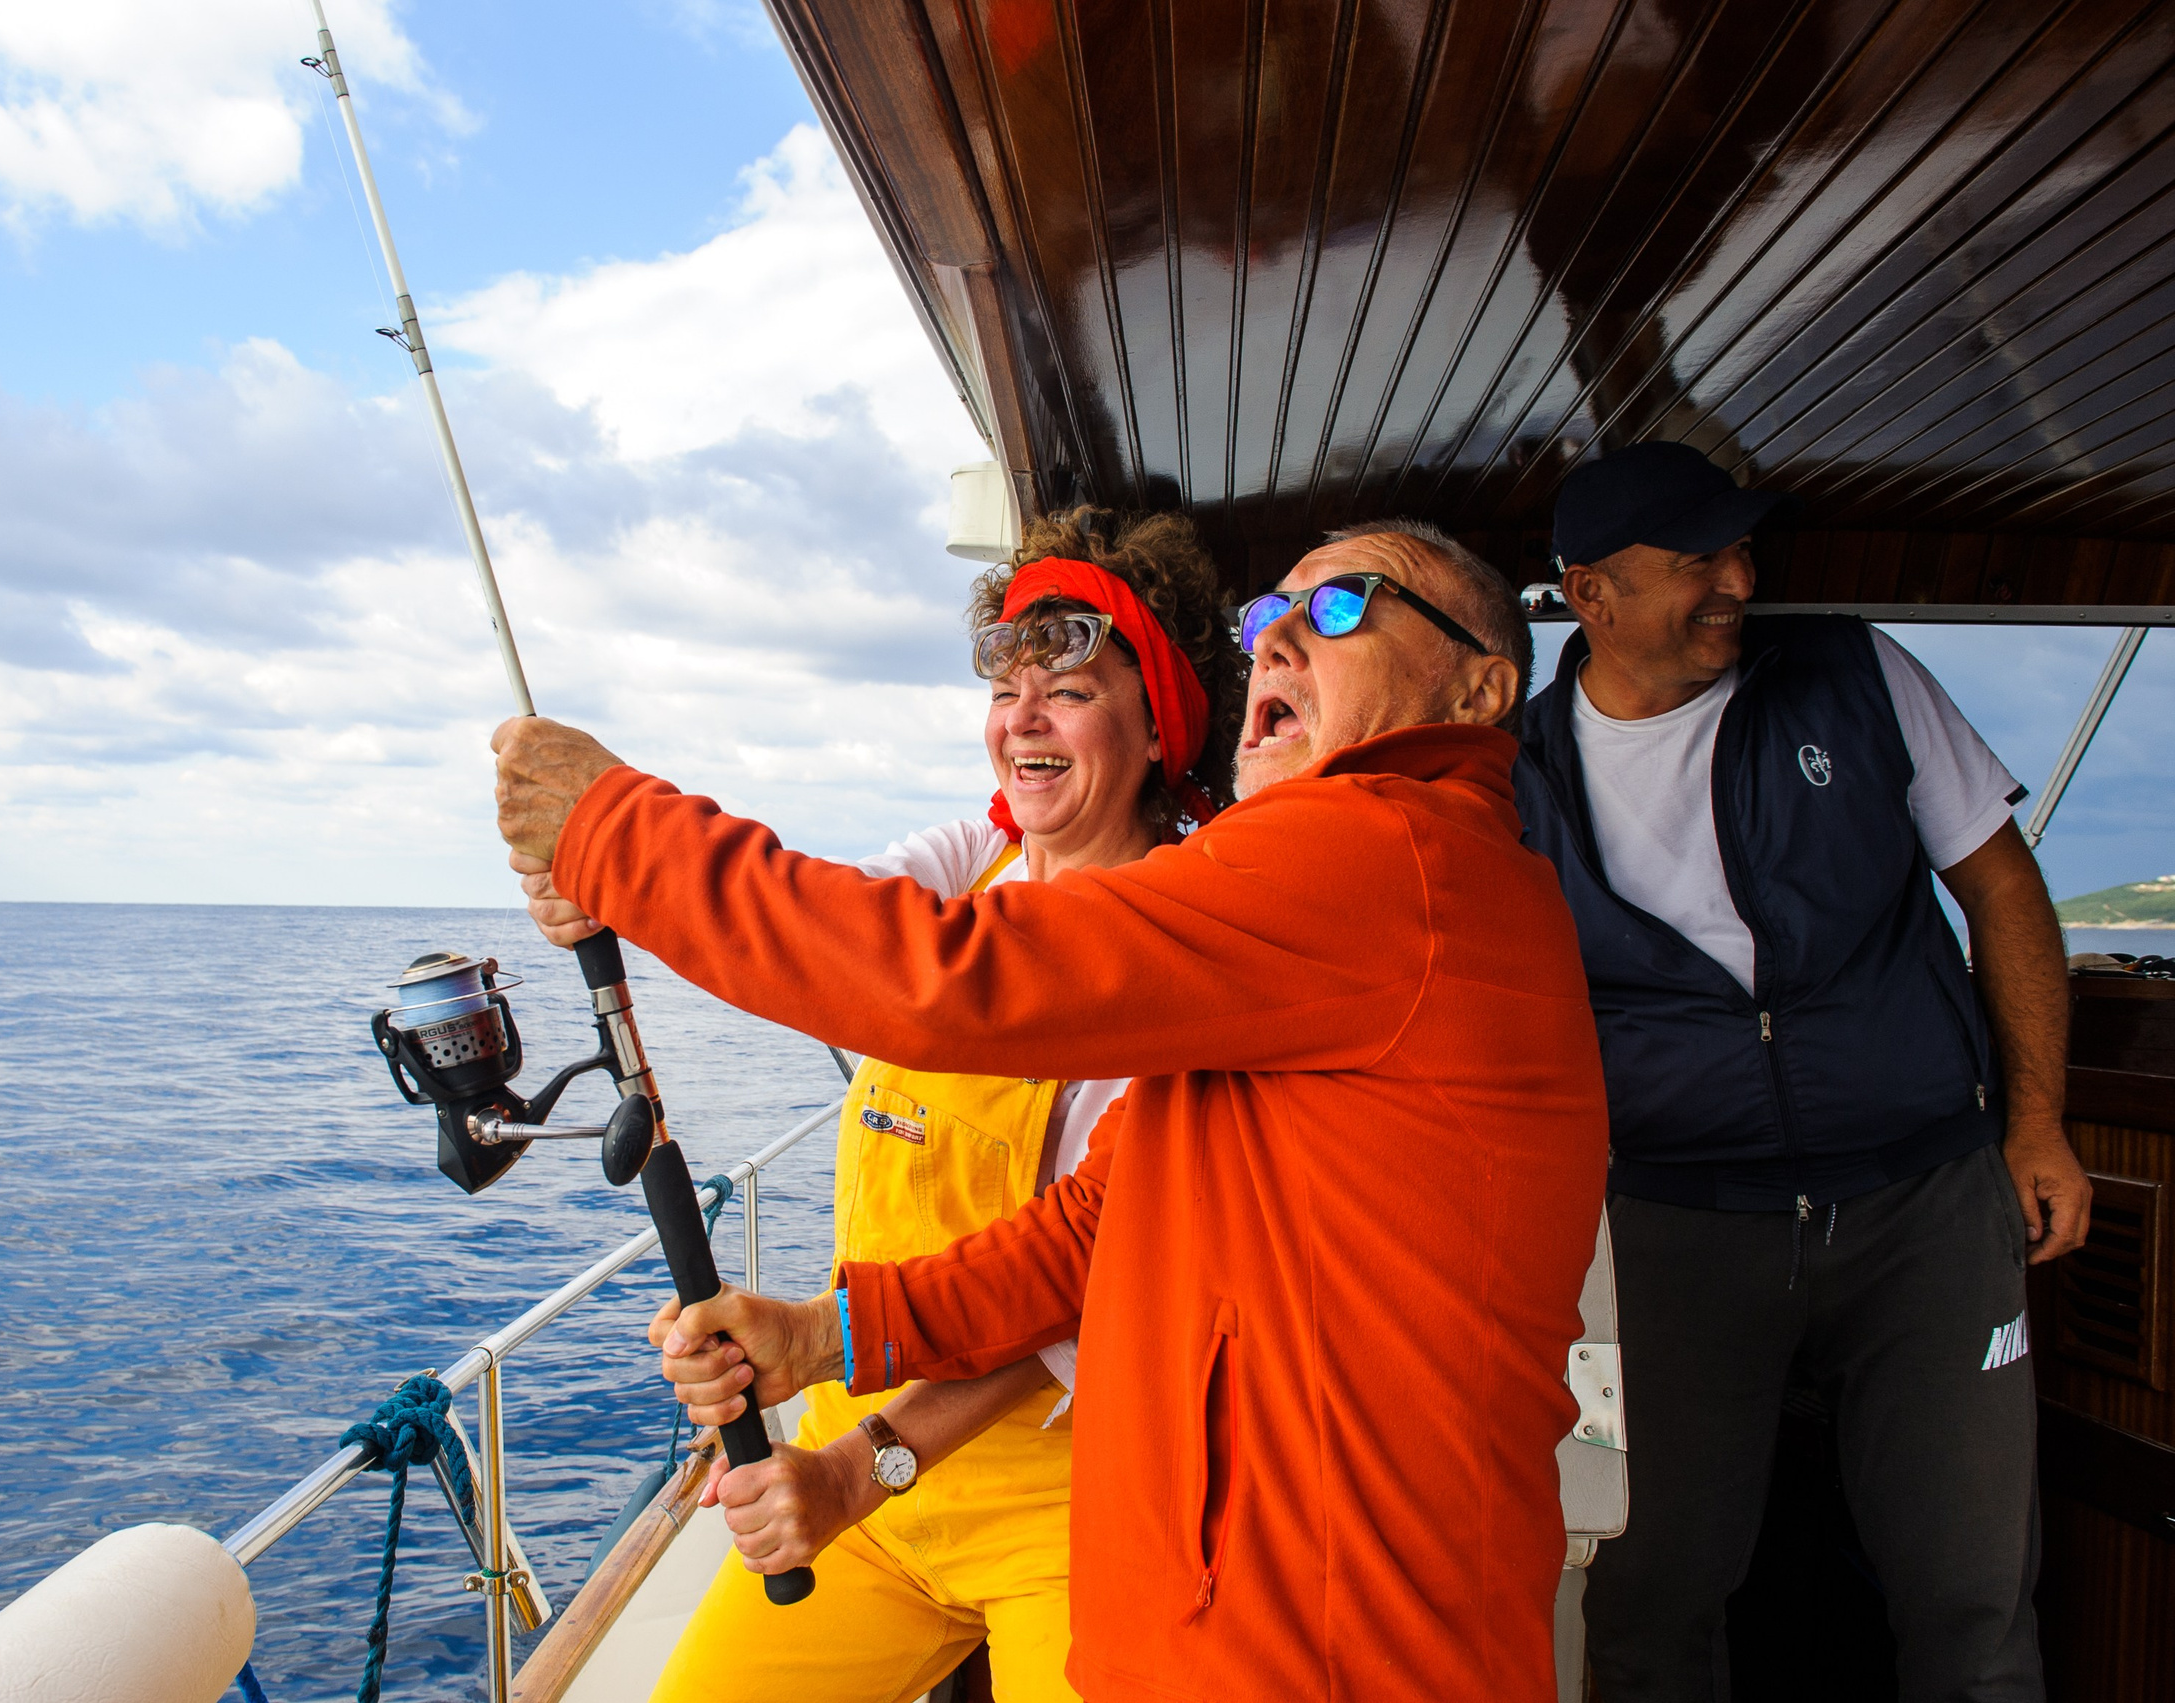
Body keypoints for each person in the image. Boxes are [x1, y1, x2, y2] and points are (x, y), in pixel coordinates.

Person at [495, 520, 1609, 1702]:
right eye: (1261, 618)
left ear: (1482, 687)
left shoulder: (1390, 847)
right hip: (1197, 1604)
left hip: (1318, 1645)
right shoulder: (1282, 937)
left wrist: (609, 828)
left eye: (1341, 608)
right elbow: (1094, 1222)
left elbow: (948, 978)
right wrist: (831, 1336)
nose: (1277, 633)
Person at [620, 510, 1243, 1703]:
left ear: (1161, 719)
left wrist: (863, 1462)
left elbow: (1075, 1279)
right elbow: (810, 930)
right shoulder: (974, 861)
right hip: (874, 1479)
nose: (1024, 717)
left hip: (1067, 1503)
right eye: (1008, 689)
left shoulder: (1185, 954)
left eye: (1068, 687)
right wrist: (612, 893)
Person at [1511, 440, 2092, 1701]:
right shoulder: (1517, 767)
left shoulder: (1850, 670)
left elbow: (2000, 884)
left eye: (1740, 548)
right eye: (1696, 558)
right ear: (1588, 592)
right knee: (1649, 1592)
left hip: (1922, 1200)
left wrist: (2036, 1123)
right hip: (1672, 1217)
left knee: (1973, 1594)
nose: (1736, 578)